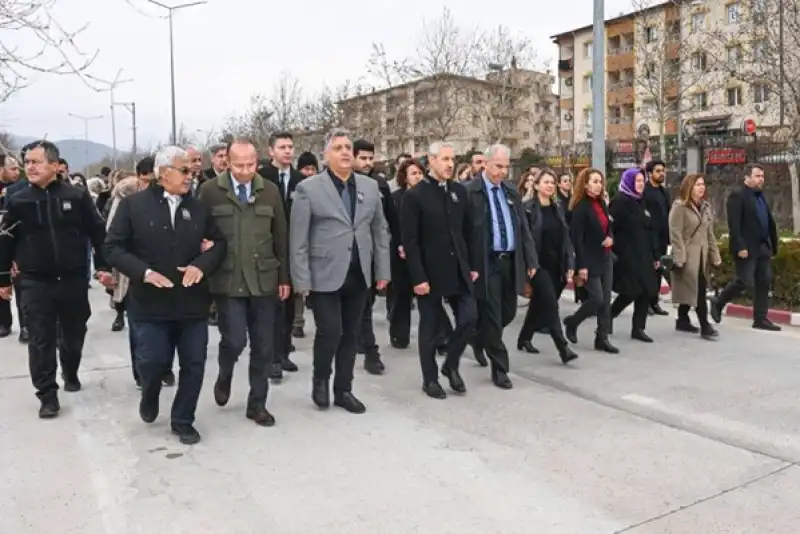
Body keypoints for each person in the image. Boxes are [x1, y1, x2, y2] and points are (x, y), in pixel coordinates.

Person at [104, 146, 227, 444]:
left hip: (191, 303)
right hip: (149, 305)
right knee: (153, 363)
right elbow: (112, 247)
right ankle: (150, 393)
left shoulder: (197, 208)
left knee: (194, 364)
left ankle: (183, 419)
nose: (190, 176)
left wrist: (201, 266)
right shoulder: (134, 206)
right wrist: (144, 273)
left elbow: (220, 244)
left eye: (191, 171)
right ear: (163, 173)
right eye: (183, 170)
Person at [0, 141, 115, 418]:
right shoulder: (17, 199)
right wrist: (3, 278)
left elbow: (97, 233)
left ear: (54, 165)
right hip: (35, 281)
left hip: (73, 280)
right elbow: (5, 240)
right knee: (40, 338)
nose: (30, 167)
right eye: (27, 162)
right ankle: (47, 394)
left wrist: (103, 267)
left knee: (74, 332)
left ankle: (70, 368)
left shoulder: (76, 197)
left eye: (37, 162)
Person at [289, 128, 390, 414]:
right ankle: (320, 379)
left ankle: (343, 389)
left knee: (351, 334)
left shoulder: (370, 188)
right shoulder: (308, 189)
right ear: (326, 155)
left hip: (359, 274)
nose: (345, 152)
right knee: (330, 331)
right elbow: (299, 238)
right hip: (323, 274)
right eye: (338, 148)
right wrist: (301, 279)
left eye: (348, 147)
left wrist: (382, 270)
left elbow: (380, 231)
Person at [198, 137, 289, 427]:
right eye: (239, 165)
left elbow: (281, 237)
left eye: (251, 164)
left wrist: (285, 277)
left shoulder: (270, 191)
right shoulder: (210, 191)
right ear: (227, 162)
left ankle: (257, 403)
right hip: (228, 279)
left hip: (263, 279)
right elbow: (198, 230)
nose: (245, 171)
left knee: (264, 345)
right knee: (234, 339)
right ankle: (225, 374)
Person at [401, 141, 478, 399]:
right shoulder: (415, 196)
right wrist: (418, 277)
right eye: (444, 159)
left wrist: (473, 265)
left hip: (459, 268)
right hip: (430, 272)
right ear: (430, 161)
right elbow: (410, 242)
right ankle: (430, 378)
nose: (450, 164)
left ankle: (451, 364)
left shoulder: (458, 192)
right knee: (430, 327)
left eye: (452, 159)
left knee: (469, 318)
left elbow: (469, 231)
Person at [465, 145, 537, 390]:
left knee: (508, 313)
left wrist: (531, 260)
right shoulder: (471, 192)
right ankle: (500, 368)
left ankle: (477, 336)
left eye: (506, 167)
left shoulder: (510, 192)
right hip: (487, 263)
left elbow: (522, 228)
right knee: (494, 317)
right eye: (498, 166)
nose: (503, 171)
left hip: (511, 260)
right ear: (485, 163)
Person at [517, 168, 578, 364]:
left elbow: (566, 238)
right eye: (546, 182)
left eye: (552, 182)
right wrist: (529, 264)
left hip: (556, 265)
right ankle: (563, 347)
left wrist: (570, 263)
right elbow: (524, 239)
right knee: (551, 306)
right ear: (536, 185)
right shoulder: (527, 208)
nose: (550, 185)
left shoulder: (557, 208)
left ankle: (524, 337)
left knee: (538, 305)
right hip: (537, 266)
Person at [710, 163, 780, 331]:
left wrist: (773, 244)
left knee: (764, 281)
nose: (760, 179)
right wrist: (740, 245)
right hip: (747, 248)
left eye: (762, 176)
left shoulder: (761, 196)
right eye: (757, 176)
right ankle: (718, 302)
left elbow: (768, 220)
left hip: (763, 246)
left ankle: (760, 318)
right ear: (747, 177)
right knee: (744, 281)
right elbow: (734, 224)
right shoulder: (737, 196)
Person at [352, 139, 401, 375]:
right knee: (357, 306)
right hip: (345, 256)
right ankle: (367, 348)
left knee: (365, 304)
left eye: (370, 158)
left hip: (371, 255)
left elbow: (390, 219)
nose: (367, 163)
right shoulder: (339, 183)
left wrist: (399, 244)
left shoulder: (379, 185)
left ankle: (367, 347)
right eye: (362, 158)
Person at [259, 131, 304, 379]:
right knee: (272, 306)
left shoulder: (301, 180)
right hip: (268, 246)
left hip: (293, 246)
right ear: (271, 151)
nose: (287, 151)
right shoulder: (262, 178)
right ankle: (272, 358)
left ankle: (284, 352)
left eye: (290, 146)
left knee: (289, 306)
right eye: (282, 147)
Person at [563, 168, 618, 354]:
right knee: (596, 298)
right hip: (589, 258)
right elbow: (577, 238)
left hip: (606, 256)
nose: (599, 185)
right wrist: (582, 266)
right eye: (595, 181)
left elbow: (609, 225)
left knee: (606, 300)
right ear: (585, 184)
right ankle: (573, 321)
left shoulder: (601, 203)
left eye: (600, 181)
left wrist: (610, 237)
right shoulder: (580, 207)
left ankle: (602, 337)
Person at [608, 168, 659, 343]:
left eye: (641, 181)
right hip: (626, 254)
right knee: (631, 291)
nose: (640, 185)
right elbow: (609, 228)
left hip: (644, 253)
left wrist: (655, 256)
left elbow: (650, 229)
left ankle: (638, 328)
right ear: (629, 182)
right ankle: (608, 316)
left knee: (646, 290)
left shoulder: (642, 202)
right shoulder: (619, 202)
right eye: (636, 181)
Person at [669, 174, 721, 340]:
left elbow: (709, 233)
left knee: (692, 288)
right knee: (698, 290)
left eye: (703, 184)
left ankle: (682, 319)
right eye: (697, 184)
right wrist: (679, 257)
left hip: (702, 256)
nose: (701, 187)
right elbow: (675, 233)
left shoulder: (705, 207)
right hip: (687, 256)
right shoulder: (679, 207)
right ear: (689, 187)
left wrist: (715, 255)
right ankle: (705, 325)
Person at [388, 157, 425, 348]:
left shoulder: (428, 196)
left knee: (427, 297)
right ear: (405, 176)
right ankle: (399, 334)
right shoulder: (396, 198)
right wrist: (400, 245)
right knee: (402, 296)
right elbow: (394, 226)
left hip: (423, 253)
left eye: (420, 173)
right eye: (413, 173)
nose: (417, 177)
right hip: (400, 254)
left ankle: (439, 337)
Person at [642, 160, 670, 316]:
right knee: (648, 270)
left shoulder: (664, 192)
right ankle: (644, 302)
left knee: (659, 270)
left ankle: (654, 302)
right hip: (648, 238)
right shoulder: (645, 192)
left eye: (663, 171)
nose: (661, 174)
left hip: (662, 238)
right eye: (658, 171)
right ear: (650, 173)